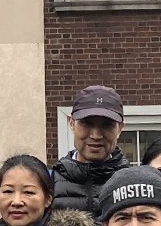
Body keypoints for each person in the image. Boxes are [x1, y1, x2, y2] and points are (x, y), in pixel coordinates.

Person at [52, 85, 129, 217]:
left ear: (120, 129)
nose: (96, 135)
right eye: (87, 123)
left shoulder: (133, 183)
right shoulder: (49, 183)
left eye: (107, 125)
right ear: (71, 124)